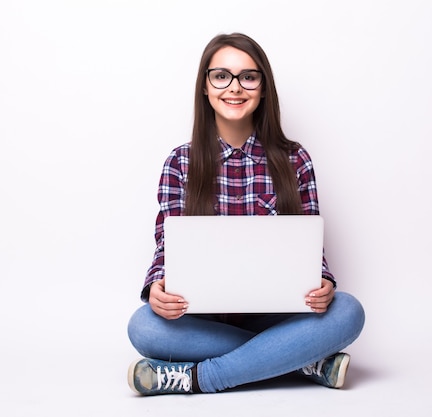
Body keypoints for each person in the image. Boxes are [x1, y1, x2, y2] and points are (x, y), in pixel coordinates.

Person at [126, 32, 365, 395]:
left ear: (263, 87)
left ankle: (199, 378)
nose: (234, 87)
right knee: (144, 327)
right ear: (205, 88)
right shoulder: (180, 162)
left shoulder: (294, 159)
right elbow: (166, 247)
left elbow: (310, 248)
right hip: (204, 313)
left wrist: (324, 283)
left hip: (279, 312)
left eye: (248, 77)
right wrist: (157, 286)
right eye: (221, 76)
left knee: (348, 311)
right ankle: (300, 360)